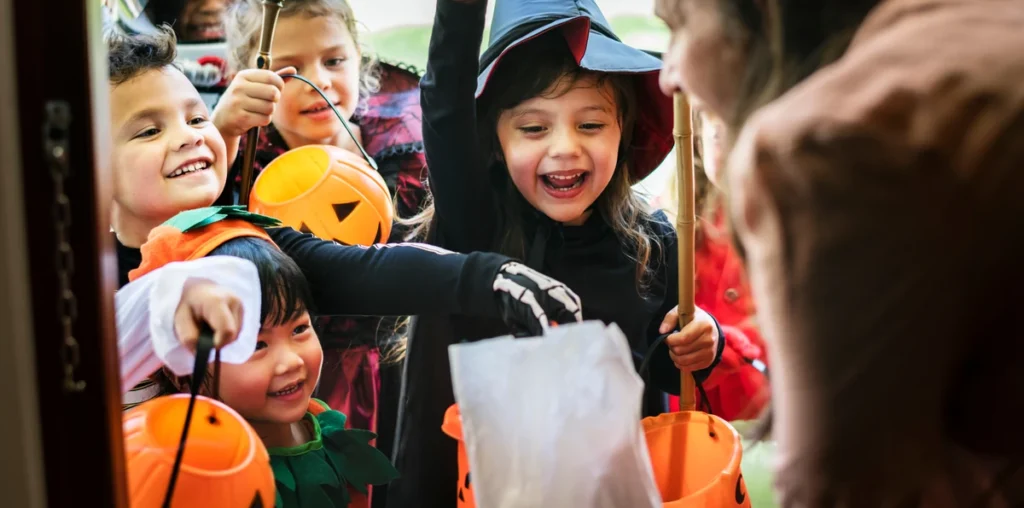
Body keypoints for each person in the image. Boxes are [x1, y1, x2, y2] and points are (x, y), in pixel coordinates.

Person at [656, 0, 1024, 504]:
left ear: (760, 15)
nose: (667, 77)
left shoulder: (822, 149)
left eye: (679, 26)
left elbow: (839, 489)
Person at [106, 28, 584, 412]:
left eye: (196, 119)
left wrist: (490, 277)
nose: (189, 137)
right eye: (150, 130)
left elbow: (363, 268)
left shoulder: (244, 239)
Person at [386, 0, 725, 505]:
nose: (565, 148)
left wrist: (701, 343)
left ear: (625, 129)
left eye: (590, 125)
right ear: (493, 142)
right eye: (533, 128)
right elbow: (444, 102)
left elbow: (661, 366)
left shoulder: (655, 241)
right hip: (475, 484)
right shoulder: (473, 223)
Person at [215, 0, 435, 457]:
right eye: (290, 71)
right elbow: (201, 221)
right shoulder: (242, 167)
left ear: (361, 59)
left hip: (402, 368)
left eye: (334, 61)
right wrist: (225, 133)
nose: (319, 81)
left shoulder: (403, 152)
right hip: (304, 380)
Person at [125, 210, 400, 508]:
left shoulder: (320, 420)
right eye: (256, 345)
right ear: (181, 371)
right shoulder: (196, 469)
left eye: (299, 328)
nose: (291, 361)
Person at [658, 109, 769, 421]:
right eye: (722, 135)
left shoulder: (807, 230)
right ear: (698, 137)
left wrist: (727, 346)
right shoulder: (668, 225)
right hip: (687, 426)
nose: (742, 153)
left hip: (769, 427)